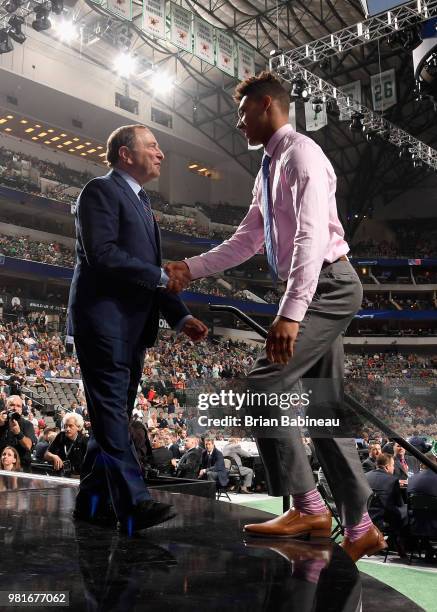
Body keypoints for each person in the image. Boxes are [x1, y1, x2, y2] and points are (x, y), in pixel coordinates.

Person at [165, 71, 384, 561]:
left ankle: (308, 506)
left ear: (266, 105)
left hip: (325, 283)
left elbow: (309, 237)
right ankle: (361, 524)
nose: (238, 123)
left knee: (263, 385)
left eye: (242, 113)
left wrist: (290, 311)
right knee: (324, 408)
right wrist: (190, 267)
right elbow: (247, 239)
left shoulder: (301, 154)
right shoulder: (269, 166)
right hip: (317, 285)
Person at [67, 124, 208, 532]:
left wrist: (180, 316)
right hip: (103, 323)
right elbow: (104, 255)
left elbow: (151, 276)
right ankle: (134, 502)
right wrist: (164, 280)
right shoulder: (100, 191)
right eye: (152, 146)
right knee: (112, 415)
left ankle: (92, 505)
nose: (161, 153)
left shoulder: (143, 204)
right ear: (125, 154)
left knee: (112, 417)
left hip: (131, 329)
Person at [365, 453, 407, 531]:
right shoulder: (392, 480)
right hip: (382, 521)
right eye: (393, 465)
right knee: (407, 509)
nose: (394, 468)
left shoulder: (365, 476)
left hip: (365, 519)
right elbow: (399, 504)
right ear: (387, 467)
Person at [0, 395, 36, 471]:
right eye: (12, 405)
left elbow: (28, 446)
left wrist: (18, 433)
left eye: (18, 406)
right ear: (6, 407)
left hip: (21, 469)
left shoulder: (27, 424)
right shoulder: (1, 423)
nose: (15, 408)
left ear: (21, 409)